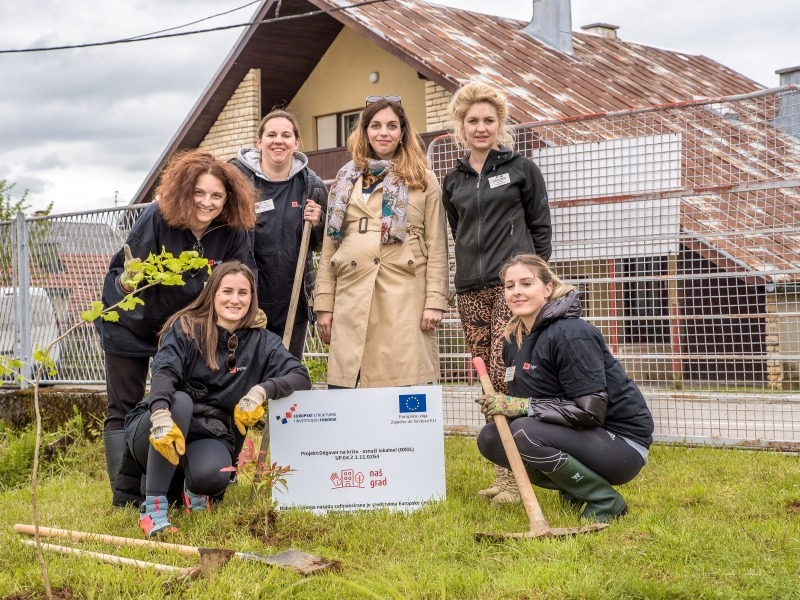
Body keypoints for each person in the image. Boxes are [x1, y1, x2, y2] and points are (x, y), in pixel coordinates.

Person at [97, 150, 258, 505]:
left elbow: (244, 277)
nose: (207, 202)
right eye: (199, 193)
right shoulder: (157, 218)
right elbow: (122, 276)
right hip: (132, 325)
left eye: (216, 195)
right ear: (186, 191)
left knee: (184, 402)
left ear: (228, 198)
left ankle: (186, 483)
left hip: (186, 334)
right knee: (123, 406)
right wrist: (128, 281)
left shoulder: (232, 230)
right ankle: (124, 496)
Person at [124, 261, 311, 537]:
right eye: (227, 291)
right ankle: (153, 508)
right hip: (158, 427)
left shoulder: (262, 341)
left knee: (213, 475)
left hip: (207, 433)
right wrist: (161, 412)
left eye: (243, 293)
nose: (235, 300)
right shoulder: (186, 327)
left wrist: (261, 391)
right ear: (212, 293)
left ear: (252, 298)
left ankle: (194, 490)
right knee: (181, 402)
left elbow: (300, 376)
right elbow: (164, 371)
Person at [475, 254, 654, 523]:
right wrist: (507, 406)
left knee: (525, 432)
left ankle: (605, 501)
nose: (516, 292)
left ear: (548, 289)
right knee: (491, 437)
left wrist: (522, 406)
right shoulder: (514, 341)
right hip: (581, 436)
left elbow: (591, 413)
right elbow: (539, 401)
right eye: (509, 286)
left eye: (526, 283)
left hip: (621, 444)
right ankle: (574, 488)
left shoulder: (571, 333)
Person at [441, 81, 552, 503]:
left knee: (507, 376)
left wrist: (534, 283)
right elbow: (459, 230)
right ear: (461, 125)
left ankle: (514, 475)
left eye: (489, 120)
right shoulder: (453, 180)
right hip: (471, 290)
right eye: (473, 121)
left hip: (513, 292)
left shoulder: (523, 169)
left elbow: (541, 228)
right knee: (487, 380)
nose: (481, 127)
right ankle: (501, 470)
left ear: (501, 124)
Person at [314, 95, 449, 388]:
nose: (383, 132)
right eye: (375, 125)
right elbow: (329, 247)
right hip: (351, 293)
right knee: (347, 391)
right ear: (364, 131)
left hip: (403, 295)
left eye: (391, 125)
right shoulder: (345, 179)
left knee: (400, 394)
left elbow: (437, 244)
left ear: (402, 132)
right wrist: (324, 303)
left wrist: (435, 301)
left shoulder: (423, 178)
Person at [230, 109, 328, 360]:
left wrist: (317, 223)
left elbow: (318, 244)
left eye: (286, 135)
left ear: (296, 143)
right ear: (259, 140)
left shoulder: (310, 184)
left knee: (285, 371)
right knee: (246, 370)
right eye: (271, 134)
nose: (278, 140)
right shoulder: (236, 179)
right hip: (247, 297)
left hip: (292, 299)